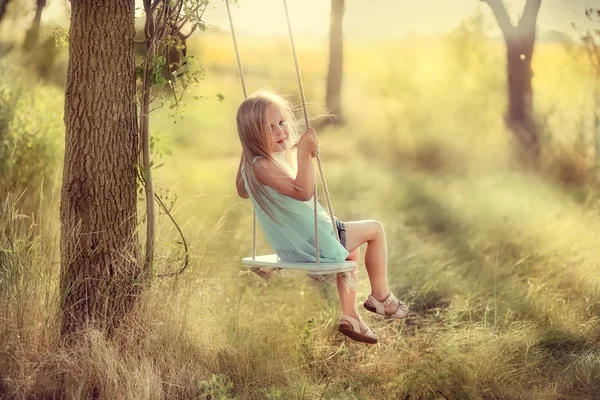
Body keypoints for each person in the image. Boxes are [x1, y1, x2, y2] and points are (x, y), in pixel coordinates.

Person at [234, 90, 408, 344]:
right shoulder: (263, 165)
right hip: (316, 241)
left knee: (351, 254)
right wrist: (304, 153)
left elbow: (241, 191)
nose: (281, 131)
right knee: (375, 230)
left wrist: (251, 154)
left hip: (299, 245)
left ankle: (350, 316)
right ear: (253, 136)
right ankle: (381, 297)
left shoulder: (255, 165)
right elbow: (303, 192)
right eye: (270, 128)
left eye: (281, 123)